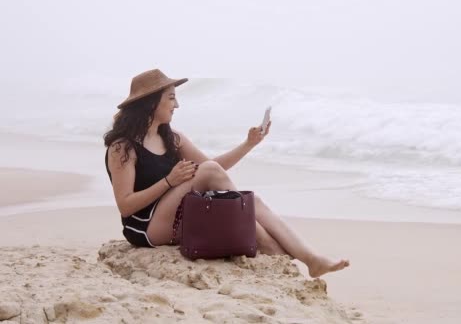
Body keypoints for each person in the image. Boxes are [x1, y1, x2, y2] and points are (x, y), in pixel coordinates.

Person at [103, 69, 349, 278]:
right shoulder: (122, 147)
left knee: (254, 201)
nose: (176, 104)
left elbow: (213, 169)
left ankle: (309, 257)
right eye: (171, 98)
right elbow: (125, 206)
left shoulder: (172, 138)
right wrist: (170, 181)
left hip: (174, 218)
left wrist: (248, 144)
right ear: (151, 103)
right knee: (228, 192)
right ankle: (280, 252)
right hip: (146, 229)